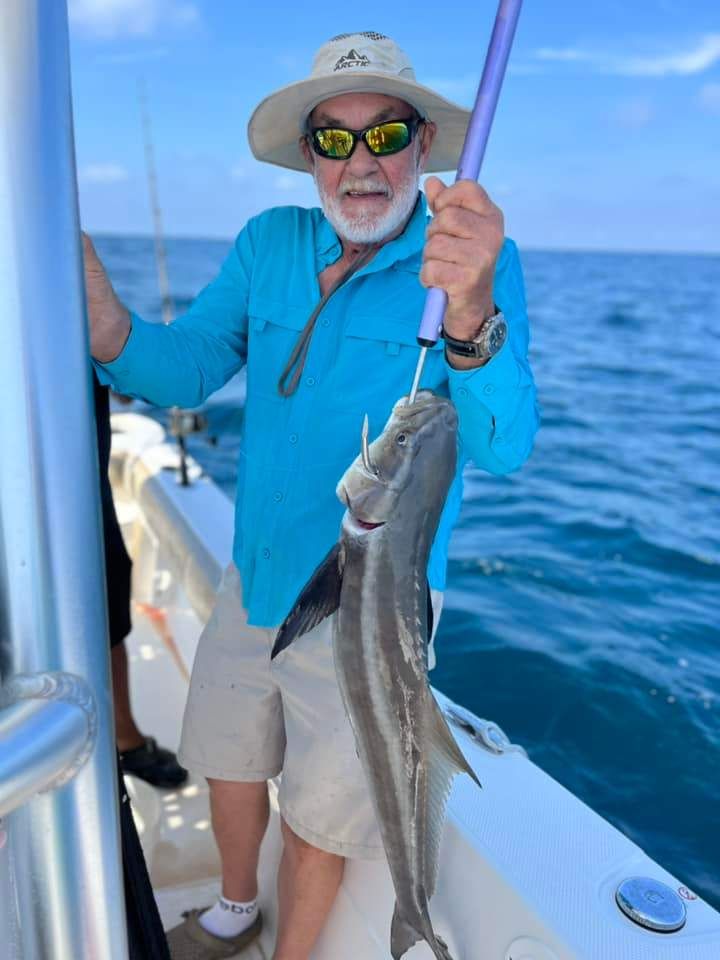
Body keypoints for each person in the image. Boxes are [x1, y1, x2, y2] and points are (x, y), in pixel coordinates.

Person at [84, 32, 539, 960]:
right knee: (229, 757)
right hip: (256, 576)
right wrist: (101, 315)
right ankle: (232, 910)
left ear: (424, 148)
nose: (361, 162)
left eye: (387, 135)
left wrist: (470, 316)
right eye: (335, 140)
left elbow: (505, 445)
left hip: (373, 606)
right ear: (308, 156)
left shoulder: (470, 260)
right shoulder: (268, 244)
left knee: (323, 816)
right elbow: (184, 369)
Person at [94, 372, 188, 789]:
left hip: (78, 482)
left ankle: (125, 738)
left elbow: (125, 382)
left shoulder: (62, 303)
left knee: (107, 592)